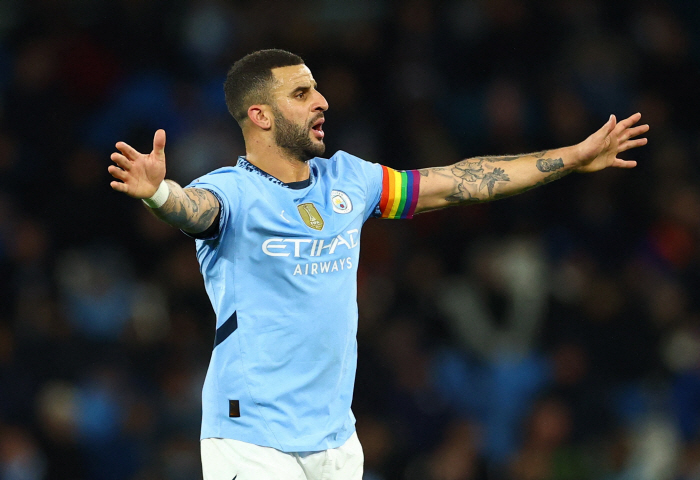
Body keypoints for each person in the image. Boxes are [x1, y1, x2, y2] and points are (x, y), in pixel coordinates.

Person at [107, 49, 648, 480]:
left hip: (336, 440)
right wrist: (159, 194)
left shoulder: (350, 179)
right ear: (260, 115)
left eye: (317, 89)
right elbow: (193, 209)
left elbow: (457, 183)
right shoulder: (232, 191)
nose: (322, 101)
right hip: (251, 438)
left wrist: (573, 157)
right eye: (302, 93)